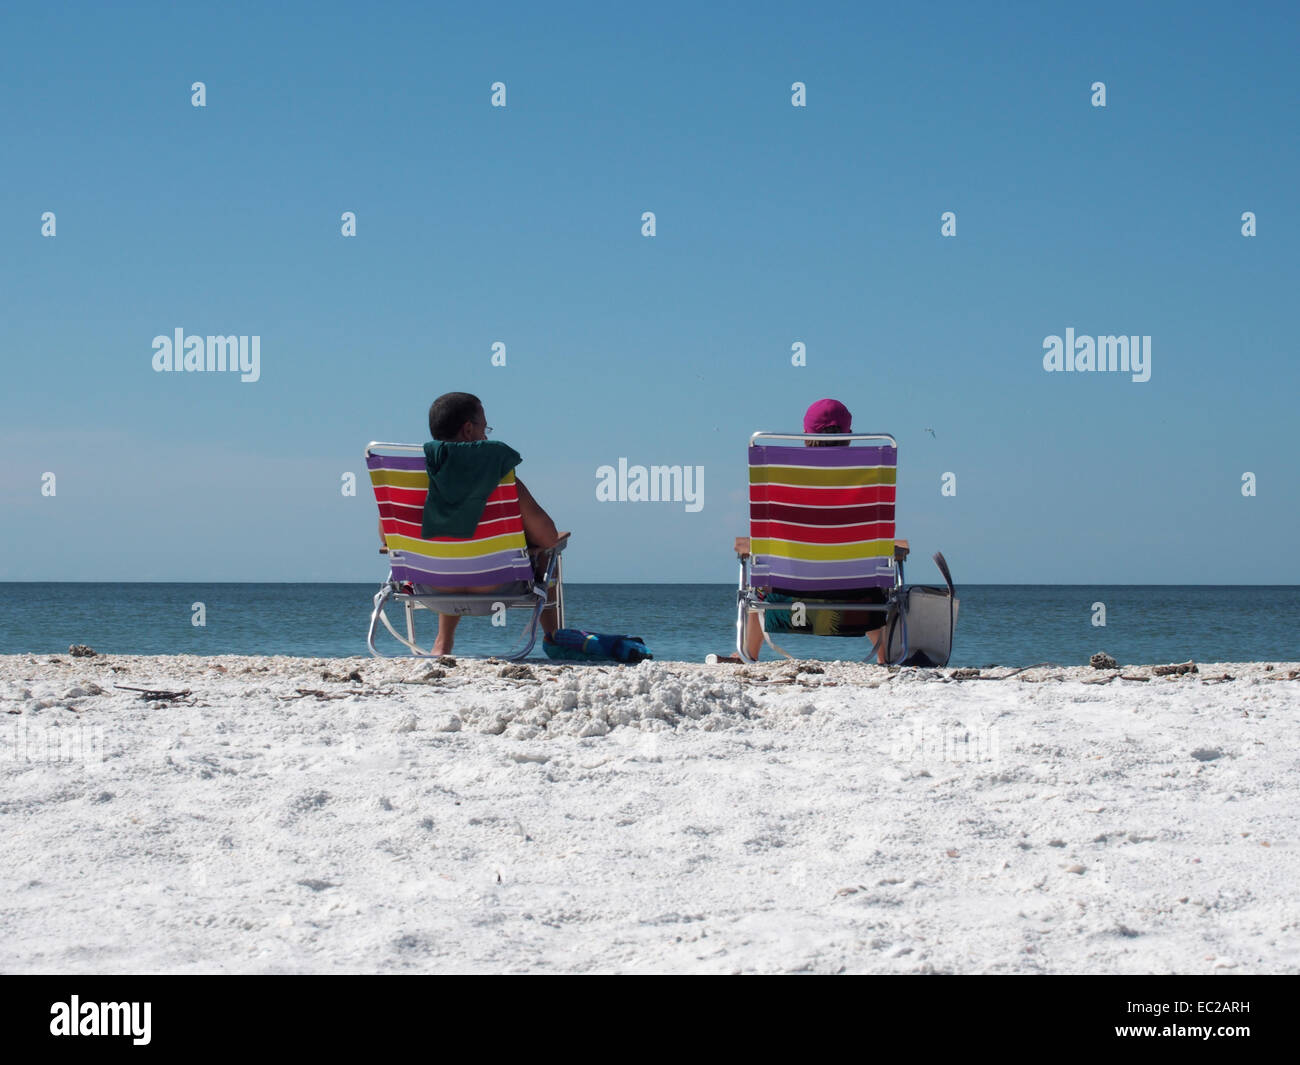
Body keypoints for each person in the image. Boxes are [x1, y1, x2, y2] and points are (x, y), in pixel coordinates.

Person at [378, 392, 565, 654]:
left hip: (431, 589)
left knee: (451, 546)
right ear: (468, 430)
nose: (486, 436)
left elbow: (387, 538)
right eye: (484, 427)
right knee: (550, 553)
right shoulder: (500, 477)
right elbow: (548, 538)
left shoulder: (409, 483)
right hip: (497, 588)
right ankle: (553, 638)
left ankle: (442, 643)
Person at [732, 398, 908, 663]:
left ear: (805, 437)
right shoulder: (869, 474)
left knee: (757, 578)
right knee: (869, 579)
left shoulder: (785, 475)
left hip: (784, 594)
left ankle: (747, 653)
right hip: (859, 598)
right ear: (849, 437)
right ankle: (886, 655)